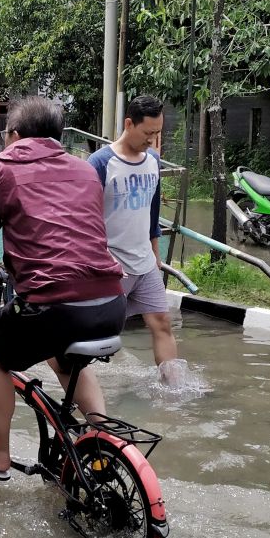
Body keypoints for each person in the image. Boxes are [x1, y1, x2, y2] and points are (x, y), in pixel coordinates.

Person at [0, 96, 126, 482]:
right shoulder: (86, 170)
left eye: (6, 135)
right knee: (65, 360)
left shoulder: (7, 167)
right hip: (110, 302)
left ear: (16, 136)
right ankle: (101, 442)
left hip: (52, 304)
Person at [86, 95, 181, 381]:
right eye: (147, 133)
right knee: (98, 333)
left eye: (157, 133)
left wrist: (156, 255)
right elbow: (86, 219)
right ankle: (84, 391)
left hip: (144, 262)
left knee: (162, 322)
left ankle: (174, 390)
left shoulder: (153, 160)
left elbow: (152, 213)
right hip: (111, 266)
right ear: (129, 124)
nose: (152, 140)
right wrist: (102, 260)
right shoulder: (100, 163)